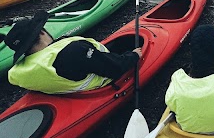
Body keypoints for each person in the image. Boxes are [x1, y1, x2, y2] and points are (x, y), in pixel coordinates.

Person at [1, 11, 142, 94]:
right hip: (100, 85)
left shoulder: (18, 73)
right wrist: (134, 55)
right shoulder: (73, 51)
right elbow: (115, 68)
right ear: (42, 32)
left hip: (65, 87)